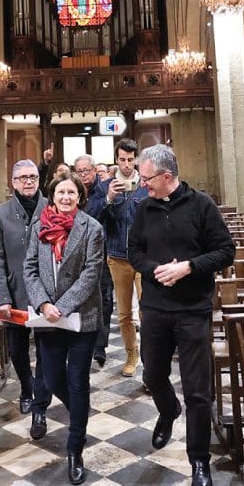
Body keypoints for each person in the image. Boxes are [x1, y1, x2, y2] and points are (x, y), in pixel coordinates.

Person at [128, 144, 235, 486]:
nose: (142, 184)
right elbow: (134, 252)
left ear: (167, 176)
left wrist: (189, 267)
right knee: (153, 374)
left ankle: (199, 462)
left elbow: (225, 251)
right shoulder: (144, 209)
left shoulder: (202, 206)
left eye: (146, 178)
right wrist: (155, 269)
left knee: (198, 390)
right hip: (156, 307)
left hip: (192, 309)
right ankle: (168, 409)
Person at [25, 173, 106, 485]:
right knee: (53, 376)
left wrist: (64, 305)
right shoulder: (39, 226)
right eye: (61, 192)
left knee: (76, 381)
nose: (66, 197)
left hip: (80, 318)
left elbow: (91, 273)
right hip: (48, 318)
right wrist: (45, 304)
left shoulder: (92, 228)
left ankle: (75, 448)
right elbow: (29, 269)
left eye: (72, 192)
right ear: (52, 195)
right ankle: (79, 415)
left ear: (80, 197)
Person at [0, 160, 49, 417]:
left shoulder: (51, 207)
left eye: (33, 177)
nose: (28, 181)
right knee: (17, 349)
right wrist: (1, 297)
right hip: (14, 293)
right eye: (22, 177)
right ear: (13, 182)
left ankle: (41, 397)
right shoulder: (1, 214)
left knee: (48, 347)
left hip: (46, 294)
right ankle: (27, 387)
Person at [87, 138, 149, 378]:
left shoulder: (145, 184)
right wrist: (109, 199)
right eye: (122, 160)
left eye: (130, 160)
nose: (126, 165)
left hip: (143, 257)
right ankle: (131, 354)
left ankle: (148, 359)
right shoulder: (105, 186)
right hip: (116, 256)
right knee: (124, 313)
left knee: (147, 311)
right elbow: (91, 216)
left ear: (136, 160)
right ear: (116, 159)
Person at [73, 154, 115, 367]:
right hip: (78, 254)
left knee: (104, 298)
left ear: (94, 170)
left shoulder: (103, 189)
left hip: (103, 250)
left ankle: (100, 345)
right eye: (79, 172)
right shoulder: (73, 190)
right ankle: (83, 340)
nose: (83, 175)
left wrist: (107, 200)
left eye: (86, 171)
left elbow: (93, 214)